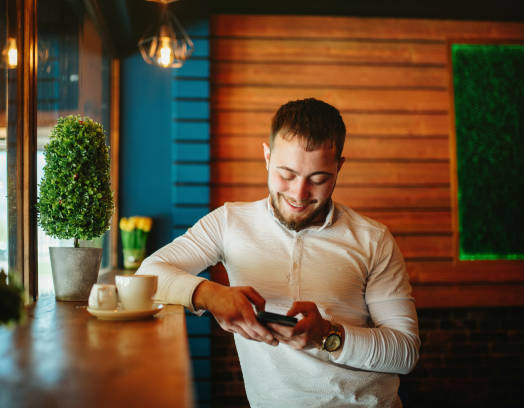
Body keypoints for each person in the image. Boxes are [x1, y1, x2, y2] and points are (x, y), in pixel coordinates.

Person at [137, 98, 420, 407]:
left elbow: (404, 353)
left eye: (318, 179)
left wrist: (327, 336)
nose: (299, 194)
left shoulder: (374, 239)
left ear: (339, 167)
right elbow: (149, 273)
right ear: (267, 157)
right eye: (287, 174)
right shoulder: (229, 222)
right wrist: (209, 295)